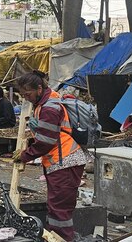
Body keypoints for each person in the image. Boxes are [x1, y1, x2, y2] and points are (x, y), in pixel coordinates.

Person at [13, 70, 88, 241]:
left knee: (59, 211)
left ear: (39, 89)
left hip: (65, 162)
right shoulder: (46, 102)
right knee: (57, 208)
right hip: (62, 161)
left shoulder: (49, 108)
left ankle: (61, 238)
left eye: (28, 94)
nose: (26, 98)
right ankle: (57, 237)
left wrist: (25, 155)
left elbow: (46, 141)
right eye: (23, 95)